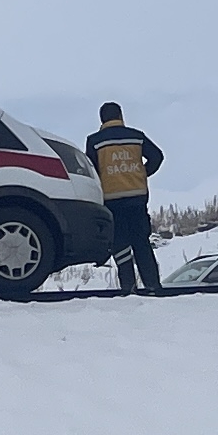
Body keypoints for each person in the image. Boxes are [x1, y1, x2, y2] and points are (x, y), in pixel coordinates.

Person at [86, 102, 166, 292]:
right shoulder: (136, 136)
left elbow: (91, 168)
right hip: (137, 197)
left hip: (112, 199)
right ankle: (153, 285)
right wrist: (141, 173)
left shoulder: (95, 141)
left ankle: (128, 287)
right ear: (120, 116)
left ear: (101, 119)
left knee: (120, 244)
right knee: (141, 243)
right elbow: (157, 156)